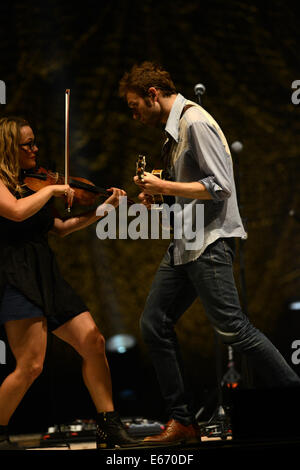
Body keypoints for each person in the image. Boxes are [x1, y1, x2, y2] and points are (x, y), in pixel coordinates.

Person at [119, 61, 300, 445]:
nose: (133, 115)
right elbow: (189, 195)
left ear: (153, 95)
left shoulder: (194, 122)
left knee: (236, 330)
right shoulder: (173, 133)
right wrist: (160, 199)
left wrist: (163, 183)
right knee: (154, 323)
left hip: (209, 243)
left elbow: (220, 187)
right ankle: (184, 422)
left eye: (135, 106)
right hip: (185, 244)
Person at [0, 116, 140, 450]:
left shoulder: (35, 180)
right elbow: (16, 212)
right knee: (31, 366)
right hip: (14, 273)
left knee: (93, 341)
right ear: (8, 147)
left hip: (45, 270)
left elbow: (60, 229)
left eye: (34, 142)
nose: (35, 149)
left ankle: (109, 426)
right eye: (28, 144)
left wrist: (102, 209)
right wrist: (51, 188)